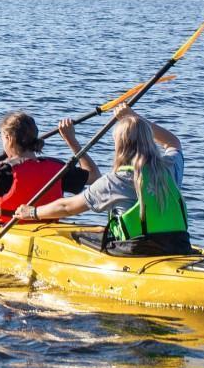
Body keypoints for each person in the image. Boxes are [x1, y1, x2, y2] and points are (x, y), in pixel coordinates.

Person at [12, 106, 191, 256]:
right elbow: (173, 143)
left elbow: (67, 207)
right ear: (149, 140)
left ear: (120, 145)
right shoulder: (169, 168)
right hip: (179, 245)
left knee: (76, 238)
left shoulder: (116, 180)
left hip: (136, 251)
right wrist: (134, 117)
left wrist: (33, 212)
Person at [0, 111, 85, 224]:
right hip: (45, 227)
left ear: (9, 138)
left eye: (2, 138)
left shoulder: (1, 172)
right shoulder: (58, 168)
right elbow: (94, 176)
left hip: (7, 227)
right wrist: (71, 140)